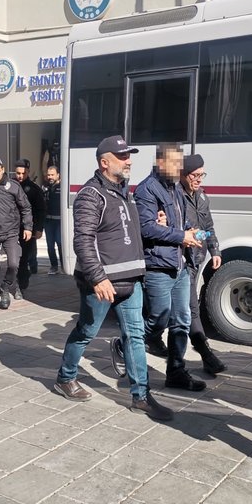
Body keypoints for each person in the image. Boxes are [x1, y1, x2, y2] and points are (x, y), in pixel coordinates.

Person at [54, 135, 174, 422]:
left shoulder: (125, 193)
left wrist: (155, 225)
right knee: (86, 331)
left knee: (134, 336)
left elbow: (127, 236)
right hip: (102, 284)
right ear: (104, 162)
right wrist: (98, 279)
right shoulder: (90, 195)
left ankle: (141, 396)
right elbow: (82, 241)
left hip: (130, 282)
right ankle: (65, 377)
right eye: (122, 157)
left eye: (128, 155)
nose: (129, 160)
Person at [134, 144, 206, 392]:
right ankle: (128, 343)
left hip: (180, 265)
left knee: (182, 320)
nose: (179, 168)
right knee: (158, 318)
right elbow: (146, 228)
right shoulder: (146, 189)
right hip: (158, 266)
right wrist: (178, 235)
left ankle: (176, 371)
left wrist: (189, 231)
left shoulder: (175, 188)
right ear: (160, 163)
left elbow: (181, 221)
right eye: (174, 163)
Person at [178, 154, 226, 374]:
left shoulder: (202, 197)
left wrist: (214, 249)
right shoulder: (175, 196)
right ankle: (206, 354)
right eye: (195, 175)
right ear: (183, 174)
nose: (199, 180)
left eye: (202, 175)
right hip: (179, 260)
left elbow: (208, 226)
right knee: (188, 309)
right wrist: (185, 234)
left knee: (187, 308)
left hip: (197, 258)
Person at [0, 158, 33, 313]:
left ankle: (5, 287)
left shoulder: (13, 186)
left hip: (10, 232)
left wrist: (28, 227)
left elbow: (26, 207)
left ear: (3, 170)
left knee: (13, 264)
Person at [15, 159, 47, 297]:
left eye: (23, 173)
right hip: (10, 228)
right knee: (14, 258)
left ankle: (21, 284)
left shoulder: (34, 189)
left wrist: (39, 228)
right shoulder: (10, 185)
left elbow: (41, 209)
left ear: (28, 172)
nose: (20, 176)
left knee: (23, 258)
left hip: (26, 229)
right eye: (18, 173)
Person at [44, 165, 63, 275]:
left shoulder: (62, 187)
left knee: (60, 243)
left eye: (52, 175)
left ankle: (64, 265)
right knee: (50, 245)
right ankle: (54, 266)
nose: (50, 177)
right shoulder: (46, 187)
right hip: (48, 221)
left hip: (59, 221)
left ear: (58, 175)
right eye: (48, 175)